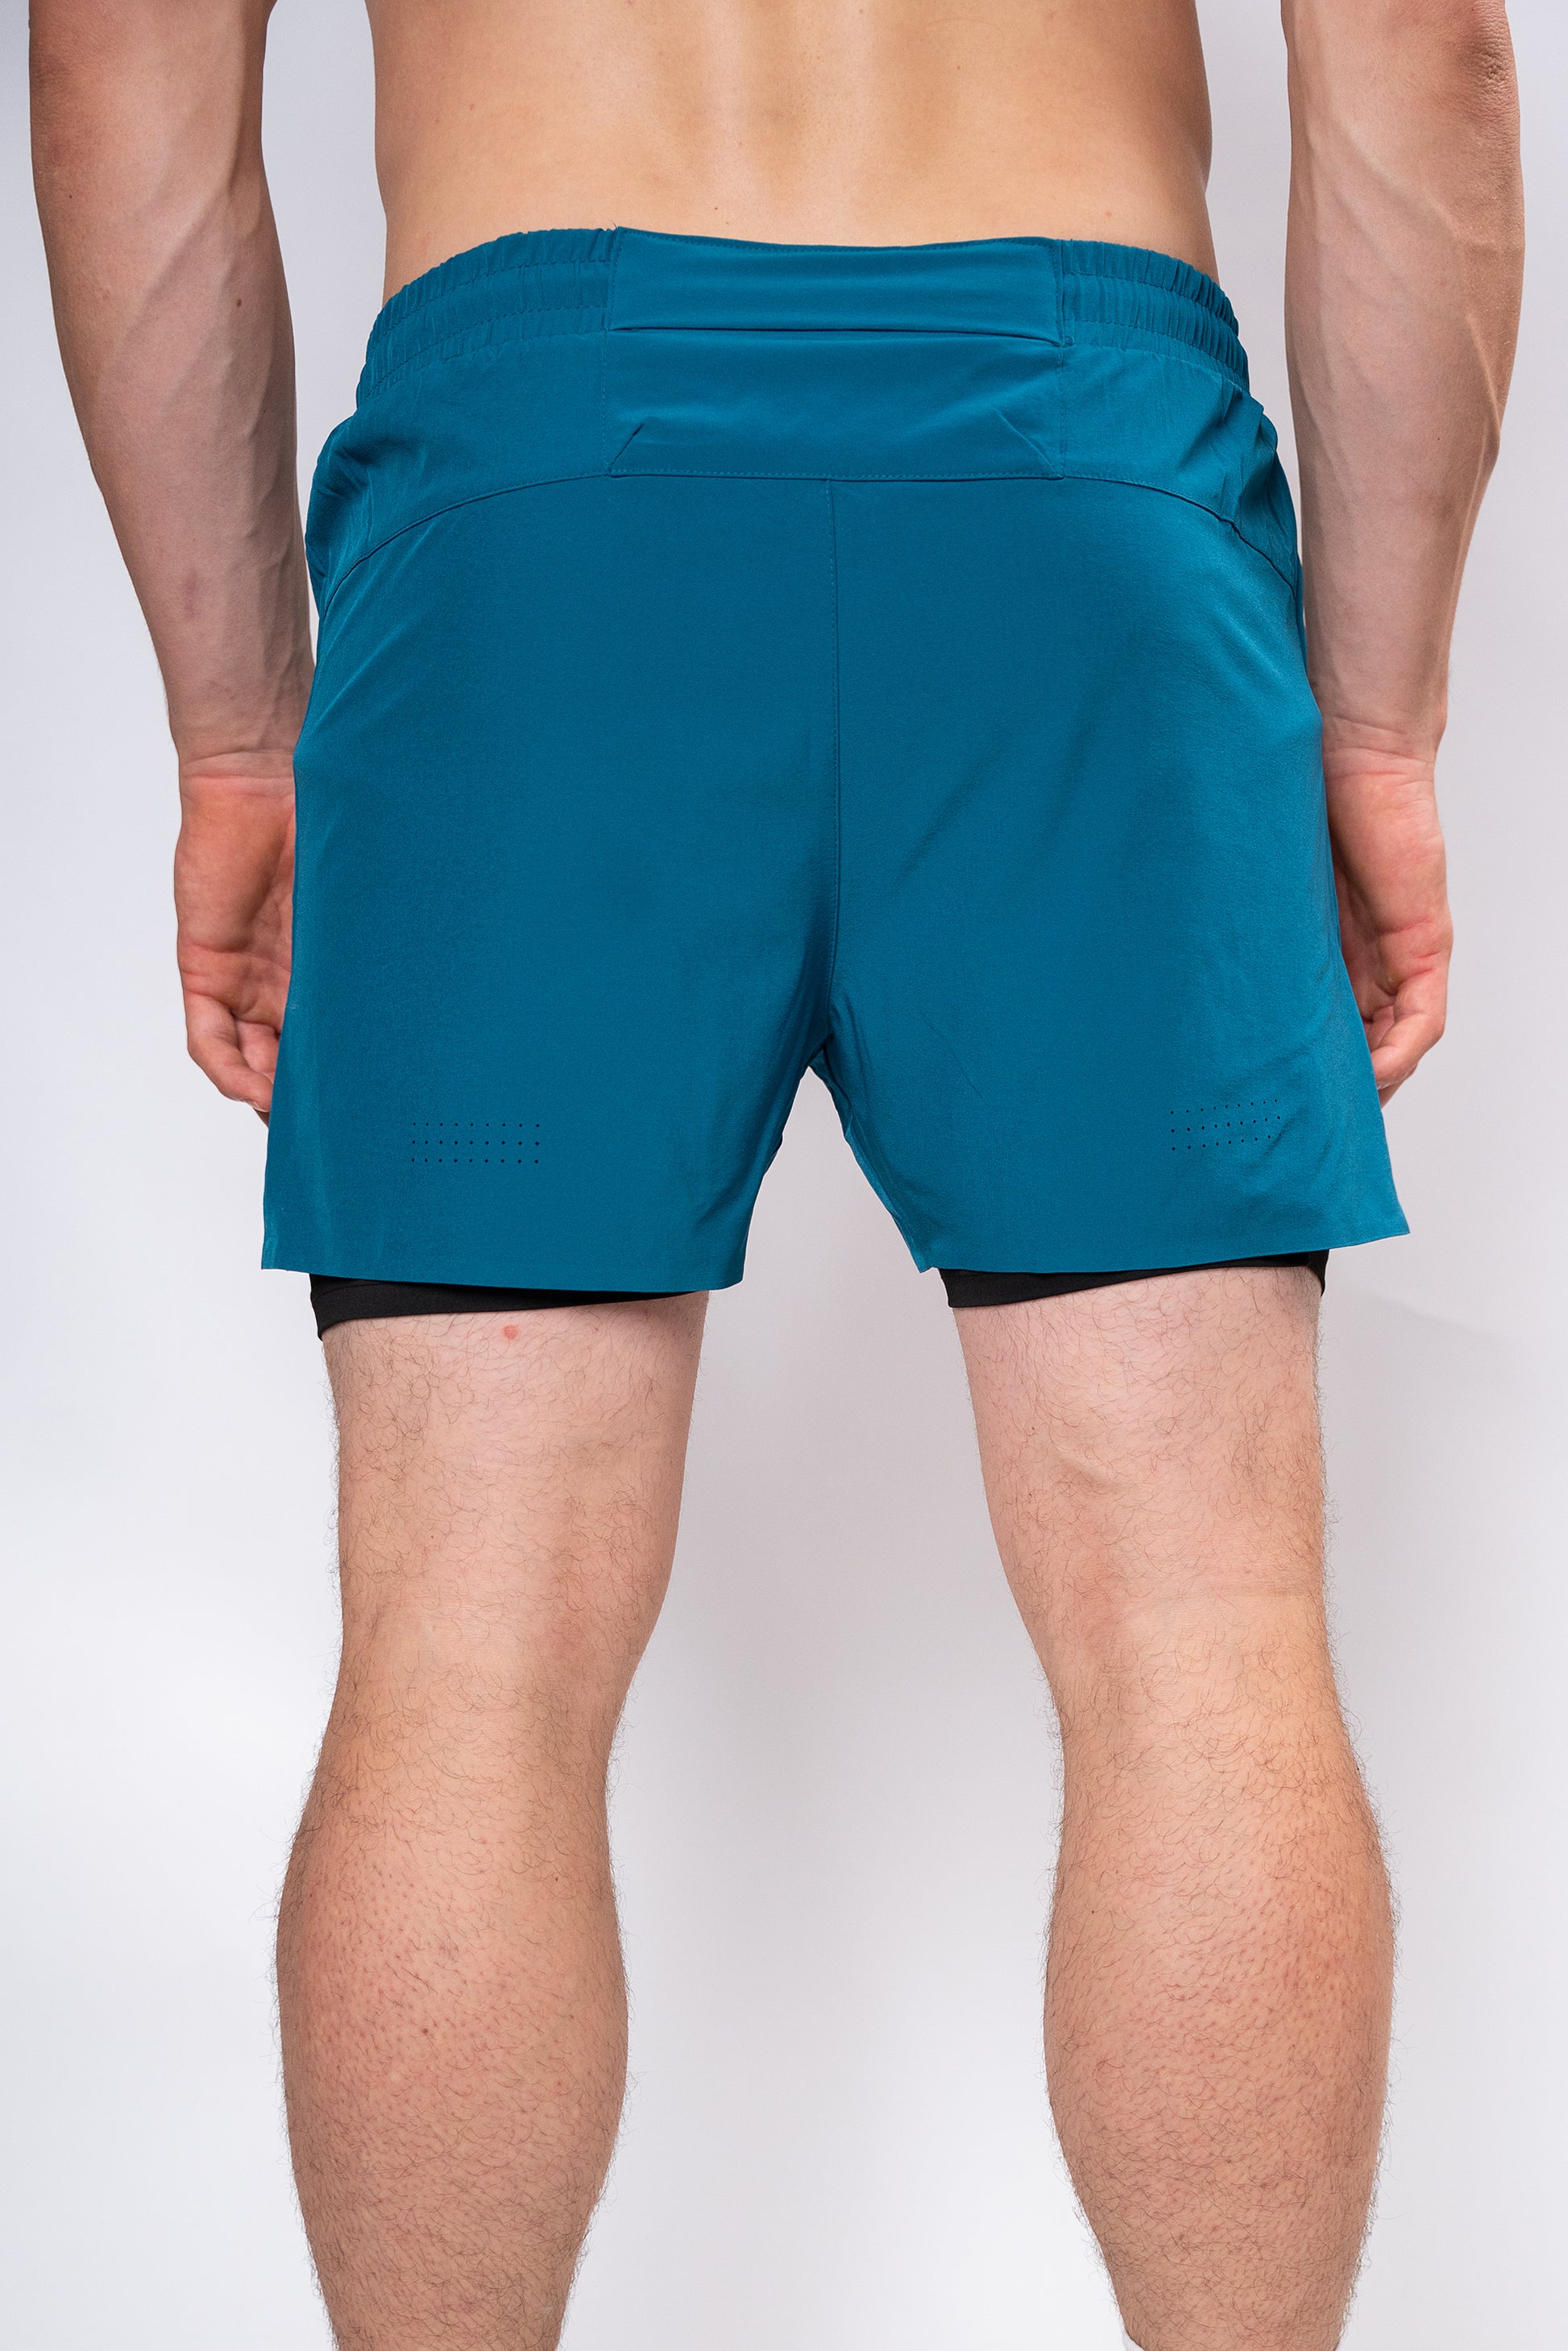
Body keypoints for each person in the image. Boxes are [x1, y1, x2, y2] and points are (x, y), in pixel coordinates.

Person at [31, 1, 1522, 2344]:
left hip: (540, 502)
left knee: (469, 1660)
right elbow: (1421, 48)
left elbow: (121, 63)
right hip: (1078, 489)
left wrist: (237, 739)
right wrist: (1379, 721)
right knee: (1197, 1641)